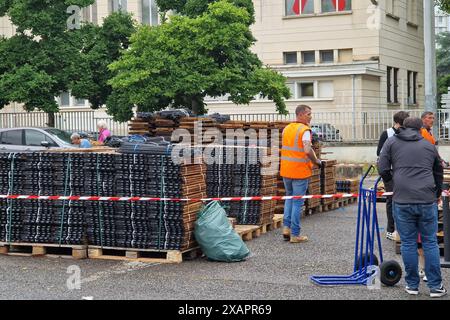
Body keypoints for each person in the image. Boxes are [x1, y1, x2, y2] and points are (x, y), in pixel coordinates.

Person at [378, 117, 446, 298]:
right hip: (426, 199)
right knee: (430, 242)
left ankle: (412, 285)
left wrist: (393, 185)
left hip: (402, 199)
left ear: (402, 126)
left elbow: (382, 167)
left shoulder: (391, 142)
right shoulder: (428, 145)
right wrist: (437, 192)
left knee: (408, 243)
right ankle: (435, 286)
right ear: (421, 128)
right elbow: (438, 171)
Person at [280, 105, 321, 244]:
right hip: (299, 171)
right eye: (309, 114)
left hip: (286, 170)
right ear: (301, 115)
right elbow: (307, 150)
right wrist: (316, 162)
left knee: (289, 198)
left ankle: (286, 228)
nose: (311, 116)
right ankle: (295, 234)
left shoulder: (287, 128)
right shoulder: (304, 130)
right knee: (297, 202)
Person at [376, 111, 410, 241]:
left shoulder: (407, 134)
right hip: (390, 172)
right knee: (391, 200)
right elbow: (379, 152)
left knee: (404, 199)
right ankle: (391, 229)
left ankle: (402, 227)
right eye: (403, 124)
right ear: (397, 123)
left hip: (403, 171)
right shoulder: (387, 134)